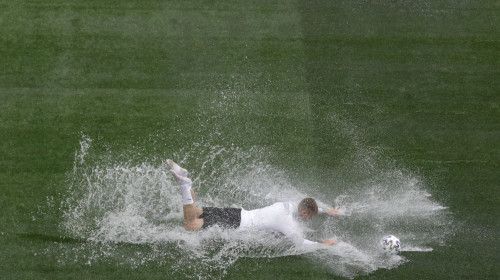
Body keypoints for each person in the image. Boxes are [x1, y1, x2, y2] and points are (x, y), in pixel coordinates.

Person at [168, 159, 342, 245]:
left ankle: (183, 176)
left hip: (238, 213)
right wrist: (322, 244)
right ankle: (185, 185)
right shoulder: (286, 222)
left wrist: (325, 211)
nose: (309, 219)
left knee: (197, 211)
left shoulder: (289, 204)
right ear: (304, 212)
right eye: (310, 216)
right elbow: (300, 243)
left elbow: (309, 207)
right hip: (236, 223)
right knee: (190, 224)